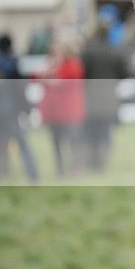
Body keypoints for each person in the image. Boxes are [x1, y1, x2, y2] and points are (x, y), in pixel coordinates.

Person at [0, 33, 38, 182]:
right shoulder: (12, 63)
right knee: (22, 144)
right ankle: (33, 176)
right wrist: (27, 108)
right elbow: (20, 88)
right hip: (10, 111)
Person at [80, 21, 128, 171]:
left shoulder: (87, 51)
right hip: (109, 96)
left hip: (90, 96)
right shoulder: (115, 51)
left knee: (91, 132)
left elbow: (82, 74)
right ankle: (103, 164)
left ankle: (91, 162)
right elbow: (124, 74)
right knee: (105, 132)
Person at [39, 36, 86, 176]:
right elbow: (37, 77)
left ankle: (76, 169)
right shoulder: (50, 64)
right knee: (56, 142)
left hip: (69, 110)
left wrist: (50, 79)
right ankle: (60, 170)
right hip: (53, 111)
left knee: (73, 142)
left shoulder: (72, 64)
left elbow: (67, 82)